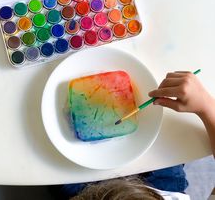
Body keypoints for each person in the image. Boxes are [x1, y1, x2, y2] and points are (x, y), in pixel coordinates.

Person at [58, 71, 215, 200]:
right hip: (162, 185)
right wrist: (206, 106)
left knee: (57, 168)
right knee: (165, 137)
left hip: (86, 191)